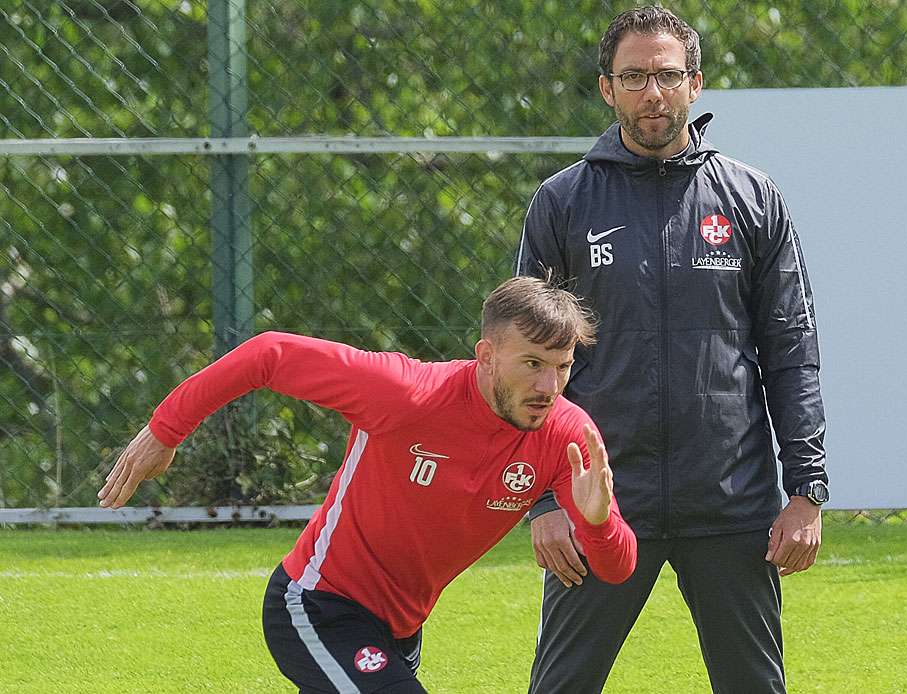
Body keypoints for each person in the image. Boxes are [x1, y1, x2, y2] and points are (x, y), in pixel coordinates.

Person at [97, 277, 637, 694]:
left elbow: (617, 569)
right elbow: (269, 353)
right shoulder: (406, 393)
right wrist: (165, 431)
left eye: (562, 367)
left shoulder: (567, 435)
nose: (549, 386)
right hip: (316, 605)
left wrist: (597, 522)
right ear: (487, 356)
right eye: (532, 364)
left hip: (399, 630)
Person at [515, 7, 827, 693]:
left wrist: (806, 490)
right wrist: (543, 504)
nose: (651, 93)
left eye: (665, 75)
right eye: (633, 77)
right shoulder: (562, 203)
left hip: (730, 502)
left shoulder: (751, 198)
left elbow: (791, 350)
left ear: (696, 83)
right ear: (607, 89)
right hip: (600, 500)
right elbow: (524, 368)